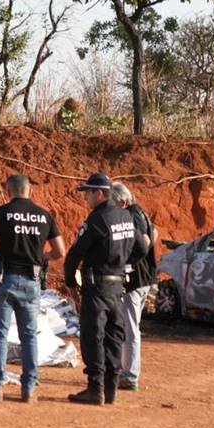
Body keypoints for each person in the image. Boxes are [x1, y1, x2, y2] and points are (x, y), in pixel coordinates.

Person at [0, 174, 66, 403]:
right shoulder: (45, 216)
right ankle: (29, 389)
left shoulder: (0, 213)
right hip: (31, 282)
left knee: (0, 335)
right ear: (29, 191)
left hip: (4, 280)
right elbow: (60, 251)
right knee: (29, 337)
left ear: (8, 191)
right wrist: (43, 257)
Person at [64, 172, 148, 405]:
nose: (85, 198)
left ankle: (95, 389)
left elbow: (74, 255)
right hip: (117, 286)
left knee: (94, 336)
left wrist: (71, 281)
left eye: (88, 193)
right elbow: (142, 248)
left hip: (97, 286)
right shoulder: (126, 216)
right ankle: (111, 389)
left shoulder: (97, 219)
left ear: (99, 193)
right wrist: (123, 264)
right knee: (114, 337)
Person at [111, 182, 155, 392]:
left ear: (121, 201)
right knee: (129, 326)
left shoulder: (131, 214)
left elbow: (145, 241)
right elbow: (154, 235)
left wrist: (128, 263)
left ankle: (130, 375)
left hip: (135, 279)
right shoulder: (140, 212)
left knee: (130, 328)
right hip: (144, 278)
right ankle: (126, 371)